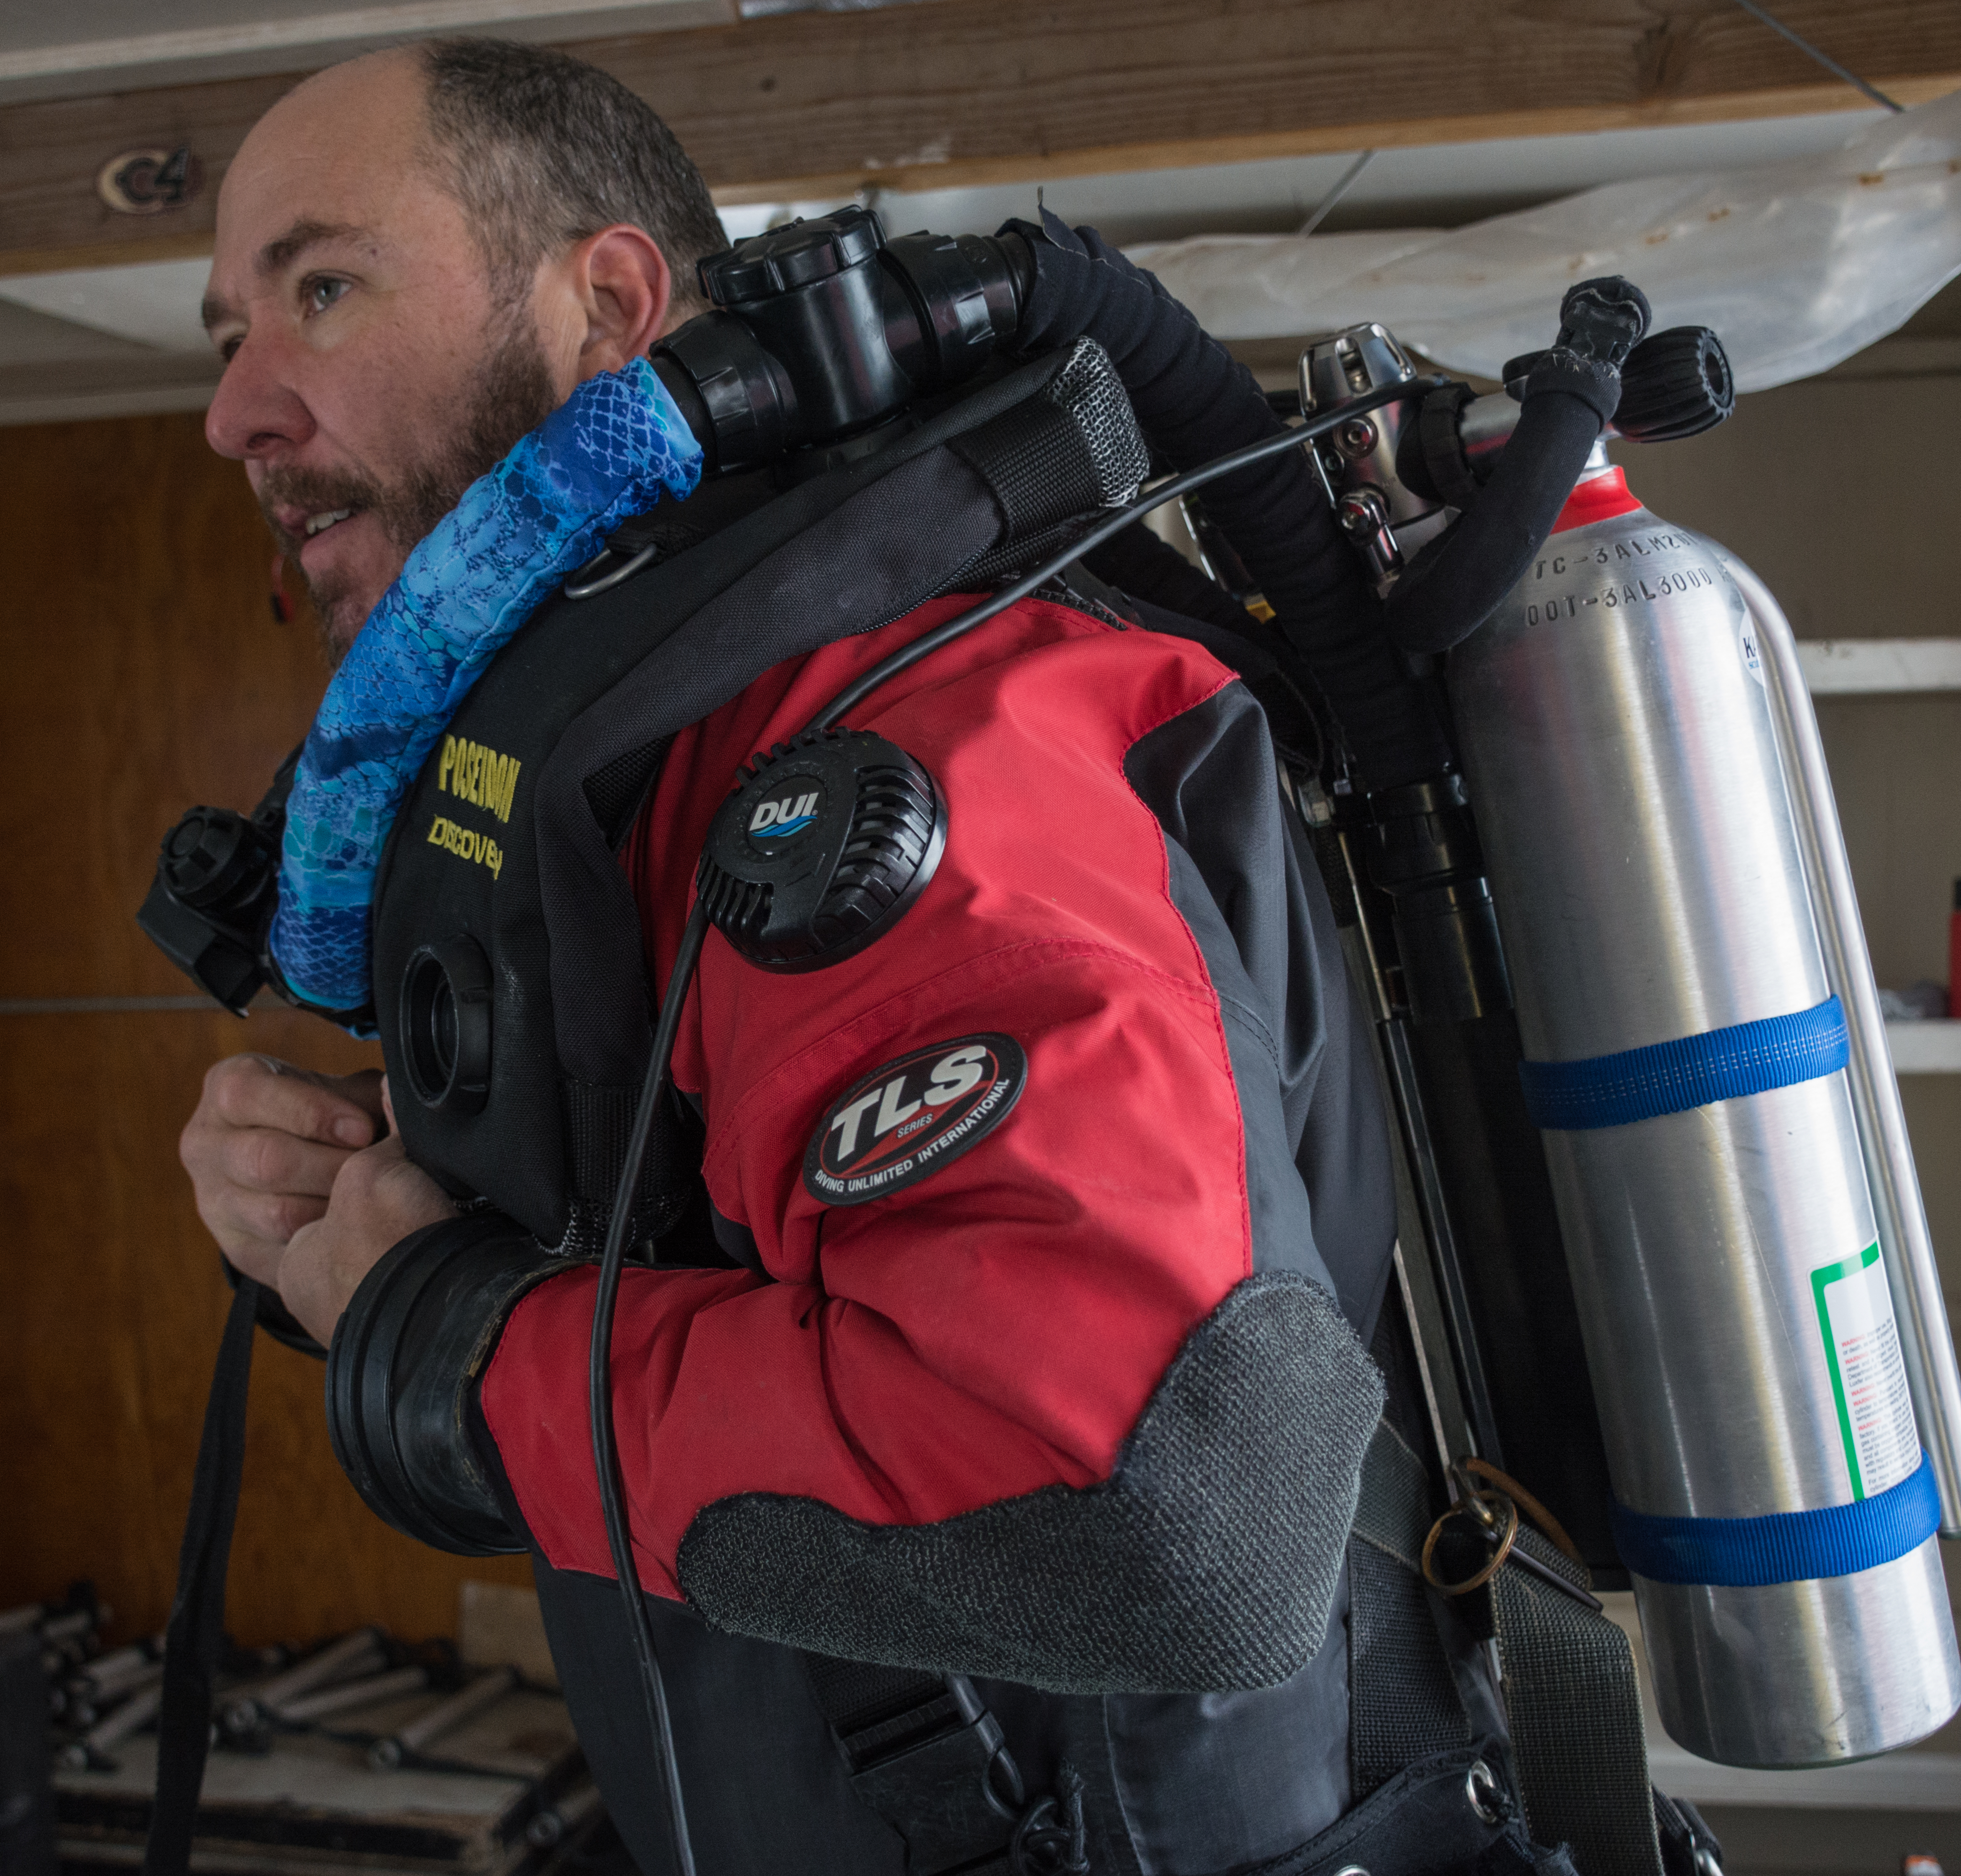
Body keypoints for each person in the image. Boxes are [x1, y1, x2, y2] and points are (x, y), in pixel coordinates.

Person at [182, 38, 1545, 1876]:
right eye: (222, 335)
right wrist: (385, 1225)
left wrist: (438, 1330)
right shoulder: (680, 738)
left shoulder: (899, 734)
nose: (237, 411)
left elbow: (1158, 1515)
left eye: (321, 288)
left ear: (609, 305)